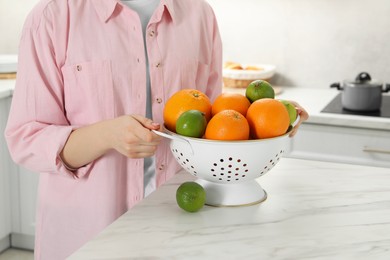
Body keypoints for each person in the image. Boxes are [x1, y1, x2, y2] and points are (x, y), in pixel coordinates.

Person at [5, 0, 308, 259]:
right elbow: (25, 138)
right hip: (85, 233)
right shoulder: (54, 15)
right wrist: (106, 135)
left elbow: (212, 125)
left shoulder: (199, 14)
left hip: (180, 225)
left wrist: (269, 119)